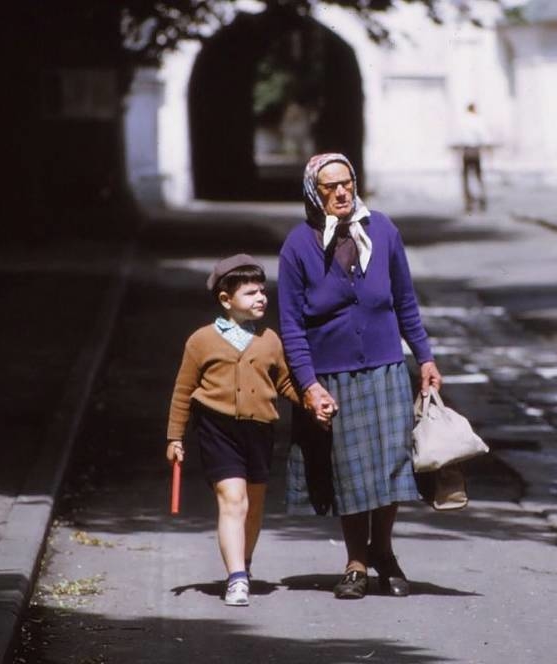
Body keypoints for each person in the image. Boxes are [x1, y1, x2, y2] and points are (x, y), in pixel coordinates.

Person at [277, 153, 443, 600]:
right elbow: (291, 325)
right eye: (330, 187)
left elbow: (405, 301)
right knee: (350, 474)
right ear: (315, 192)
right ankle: (355, 562)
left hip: (386, 367)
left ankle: (383, 552)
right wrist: (309, 385)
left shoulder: (382, 230)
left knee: (390, 469)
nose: (342, 192)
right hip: (334, 375)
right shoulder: (298, 246)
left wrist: (424, 358)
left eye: (347, 183)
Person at [165, 254, 303, 607]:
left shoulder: (271, 339)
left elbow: (286, 382)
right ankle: (237, 577)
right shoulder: (201, 341)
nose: (261, 298)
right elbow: (183, 391)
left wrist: (312, 401)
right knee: (233, 501)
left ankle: (244, 561)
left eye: (262, 291)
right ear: (226, 300)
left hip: (259, 431)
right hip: (216, 428)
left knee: (254, 506)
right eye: (251, 293)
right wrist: (175, 437)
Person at [458, 102, 489, 212]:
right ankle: (482, 199)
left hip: (466, 150)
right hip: (475, 150)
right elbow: (483, 135)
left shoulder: (463, 121)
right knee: (478, 176)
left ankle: (468, 202)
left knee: (466, 178)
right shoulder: (477, 120)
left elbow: (459, 136)